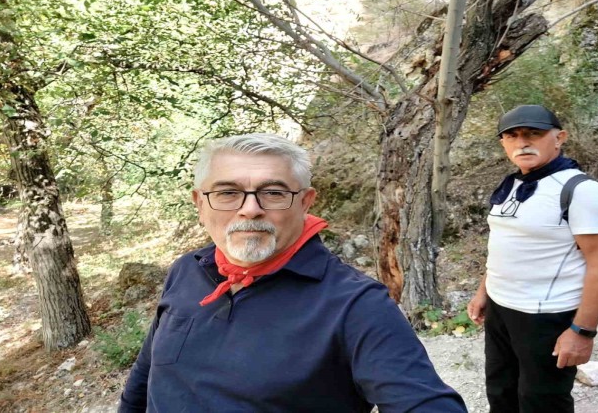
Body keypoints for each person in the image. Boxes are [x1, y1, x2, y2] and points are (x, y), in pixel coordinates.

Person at [119, 133, 467, 412]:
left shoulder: (355, 305)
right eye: (228, 193)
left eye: (273, 193)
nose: (250, 209)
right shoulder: (187, 270)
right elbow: (145, 378)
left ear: (305, 202)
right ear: (199, 203)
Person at [467, 105, 598, 413]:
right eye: (512, 136)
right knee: (501, 390)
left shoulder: (582, 191)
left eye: (533, 134)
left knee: (542, 401)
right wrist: (484, 291)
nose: (522, 143)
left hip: (546, 316)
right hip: (501, 308)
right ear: (503, 143)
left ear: (559, 138)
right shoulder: (512, 185)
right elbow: (506, 244)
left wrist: (582, 331)